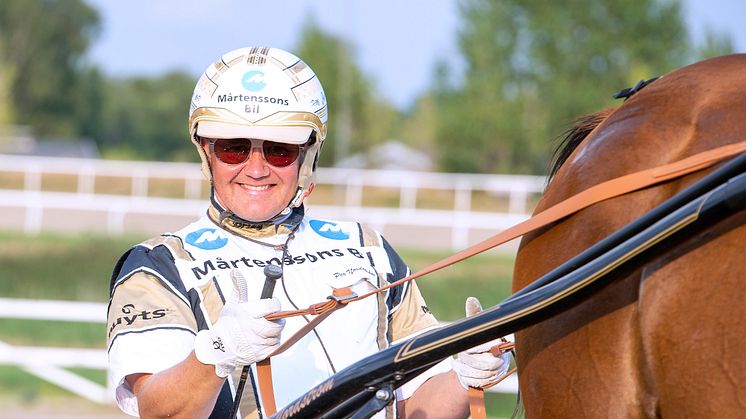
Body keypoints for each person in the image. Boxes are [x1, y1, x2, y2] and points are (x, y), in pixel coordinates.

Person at [106, 46, 510, 419]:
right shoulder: (159, 265)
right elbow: (159, 410)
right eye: (234, 148)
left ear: (308, 155)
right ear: (206, 152)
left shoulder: (367, 248)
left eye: (280, 150)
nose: (257, 168)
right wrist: (218, 352)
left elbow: (417, 407)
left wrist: (465, 375)